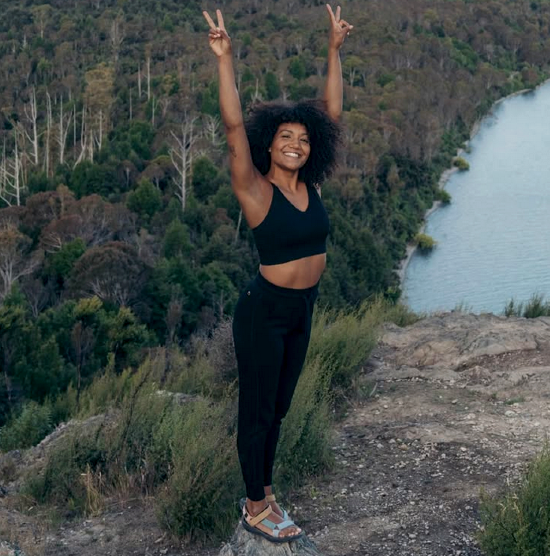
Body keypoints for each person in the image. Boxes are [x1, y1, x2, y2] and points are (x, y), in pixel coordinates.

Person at [202, 4, 353, 544]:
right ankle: (254, 506)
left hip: (301, 309)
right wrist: (226, 59)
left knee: (281, 406)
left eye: (304, 139)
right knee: (259, 408)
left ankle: (264, 491)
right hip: (263, 310)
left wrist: (334, 51)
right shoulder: (255, 190)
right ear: (270, 143)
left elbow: (330, 117)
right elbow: (232, 125)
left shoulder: (310, 188)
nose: (297, 143)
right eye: (287, 137)